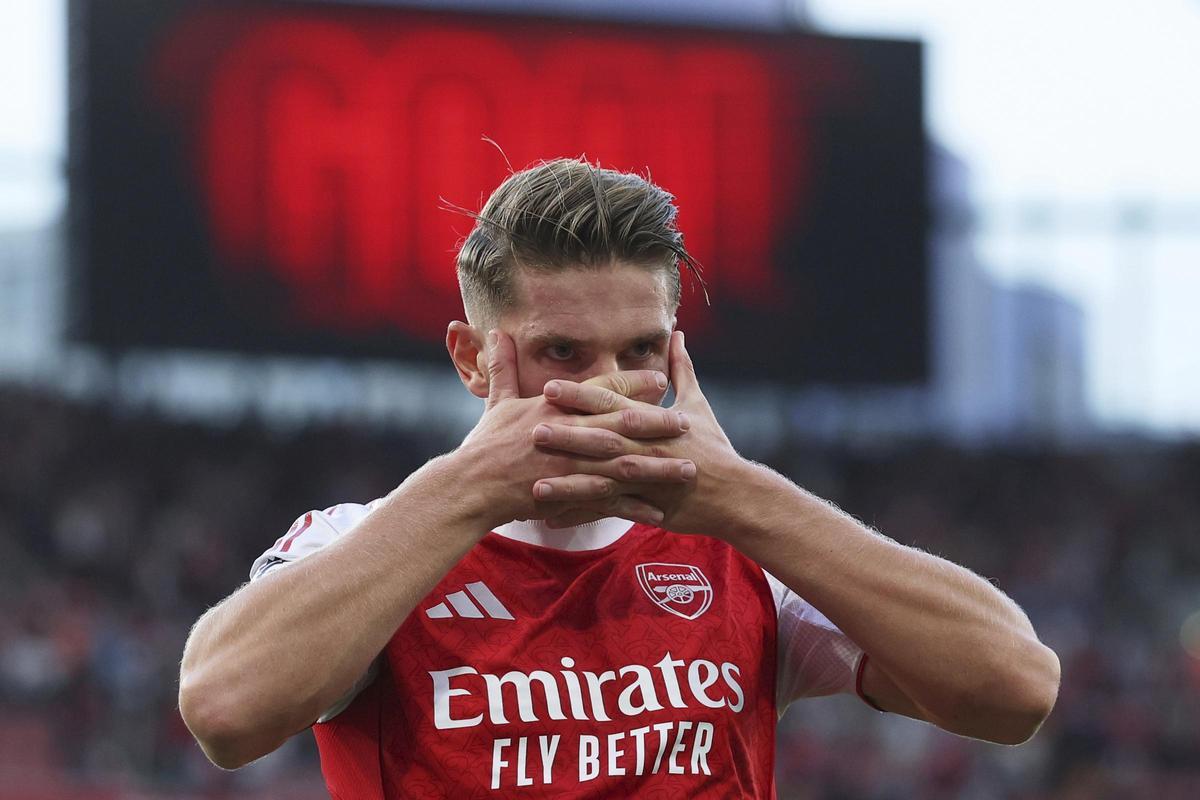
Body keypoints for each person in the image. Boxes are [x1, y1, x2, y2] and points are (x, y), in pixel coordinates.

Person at [178, 158, 1060, 798]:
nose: (608, 387)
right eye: (563, 352)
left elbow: (1016, 691)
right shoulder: (362, 543)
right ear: (473, 359)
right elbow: (224, 710)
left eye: (640, 351)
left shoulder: (746, 546)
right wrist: (468, 488)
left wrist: (746, 496)